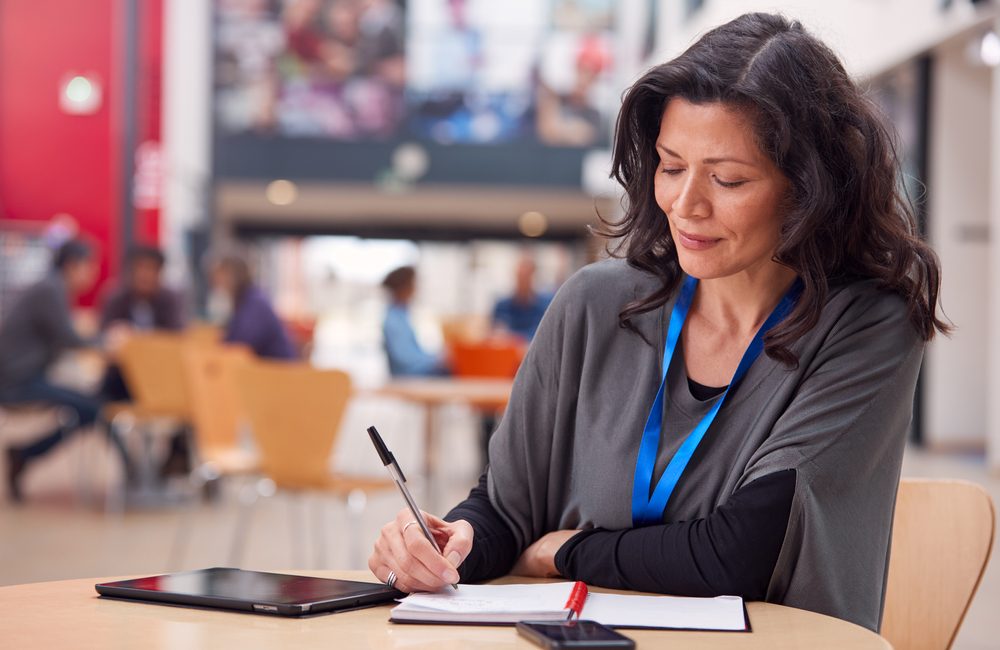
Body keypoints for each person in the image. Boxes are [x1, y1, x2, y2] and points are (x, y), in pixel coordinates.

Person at [368, 13, 948, 633]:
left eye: (728, 179)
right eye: (671, 167)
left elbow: (739, 554)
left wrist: (566, 552)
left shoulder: (868, 325)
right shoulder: (595, 305)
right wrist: (449, 547)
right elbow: (508, 516)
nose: (686, 204)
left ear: (809, 188)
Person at [0, 240, 133, 502]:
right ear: (73, 265)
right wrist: (107, 342)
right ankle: (132, 472)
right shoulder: (50, 289)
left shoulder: (51, 287)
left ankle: (25, 454)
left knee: (92, 407)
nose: (92, 273)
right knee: (95, 408)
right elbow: (68, 338)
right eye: (89, 266)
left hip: (28, 376)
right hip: (16, 381)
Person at [99, 244, 186, 401]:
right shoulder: (116, 298)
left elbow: (177, 339)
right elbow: (104, 337)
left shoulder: (170, 299)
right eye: (140, 268)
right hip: (122, 375)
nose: (144, 274)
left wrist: (137, 338)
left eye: (151, 269)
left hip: (160, 374)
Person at [207, 251, 296, 360]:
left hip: (279, 371)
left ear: (235, 275)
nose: (216, 280)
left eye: (222, 274)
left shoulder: (255, 302)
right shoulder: (245, 300)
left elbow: (241, 344)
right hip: (265, 369)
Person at [381, 266, 448, 377]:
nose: (417, 289)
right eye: (414, 284)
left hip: (414, 372)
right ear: (404, 287)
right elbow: (404, 358)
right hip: (409, 376)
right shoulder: (393, 319)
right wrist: (435, 360)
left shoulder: (402, 314)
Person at [491, 257, 552, 341]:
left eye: (526, 277)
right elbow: (495, 333)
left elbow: (542, 335)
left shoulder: (544, 306)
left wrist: (513, 337)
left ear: (533, 277)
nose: (522, 281)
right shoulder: (502, 306)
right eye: (520, 276)